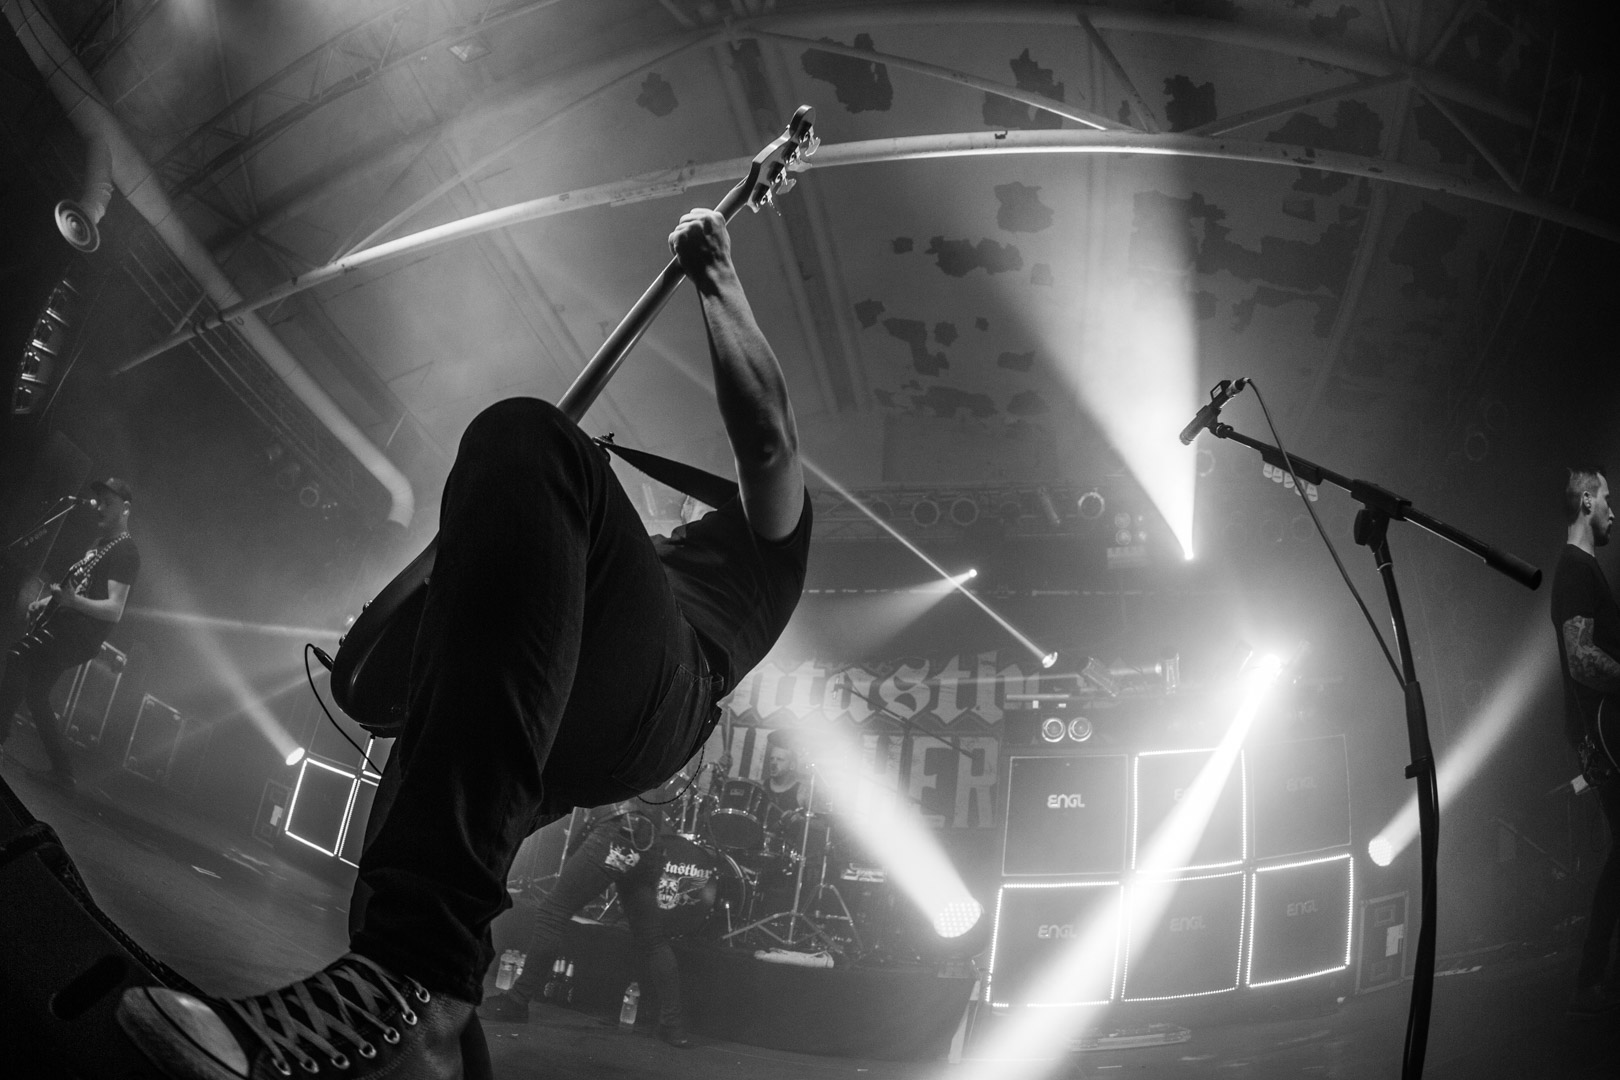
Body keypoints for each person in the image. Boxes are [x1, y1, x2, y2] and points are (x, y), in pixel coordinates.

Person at [117, 207, 811, 1079]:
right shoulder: (658, 557)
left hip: (656, 703)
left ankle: (412, 972)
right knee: (405, 851)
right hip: (562, 715)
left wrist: (716, 271)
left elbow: (770, 440)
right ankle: (417, 1025)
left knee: (530, 436)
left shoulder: (772, 542)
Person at [477, 782, 695, 1047]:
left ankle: (517, 1001)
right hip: (649, 840)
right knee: (653, 940)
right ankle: (673, 1026)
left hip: (618, 830)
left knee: (552, 912)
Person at [0, 478, 138, 790]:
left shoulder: (126, 552)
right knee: (36, 694)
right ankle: (64, 772)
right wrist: (46, 604)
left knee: (18, 656)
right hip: (64, 627)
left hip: (78, 635)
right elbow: (76, 589)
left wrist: (72, 602)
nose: (100, 508)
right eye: (99, 501)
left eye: (109, 503)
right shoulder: (101, 545)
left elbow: (115, 609)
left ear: (126, 508)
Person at [1549, 465, 1620, 1019]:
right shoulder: (1574, 567)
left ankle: (1593, 978)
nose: (1614, 513)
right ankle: (1589, 980)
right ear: (1587, 502)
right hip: (1600, 735)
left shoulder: (1586, 568)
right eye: (1608, 501)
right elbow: (1579, 658)